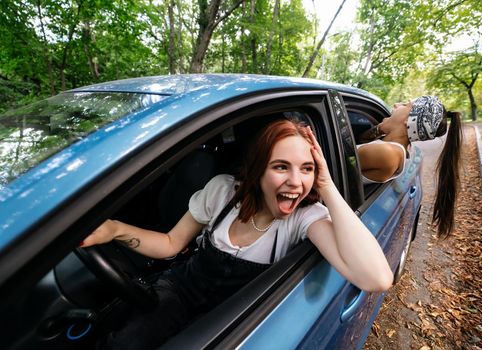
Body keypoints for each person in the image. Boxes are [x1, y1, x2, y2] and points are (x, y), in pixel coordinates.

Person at [82, 119, 393, 349]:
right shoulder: (221, 191)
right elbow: (170, 244)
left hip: (228, 322)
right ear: (258, 170)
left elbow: (376, 278)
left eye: (307, 168)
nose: (296, 182)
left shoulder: (304, 218)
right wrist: (115, 229)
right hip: (177, 293)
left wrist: (326, 185)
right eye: (281, 167)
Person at [356, 95, 462, 237]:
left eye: (405, 105)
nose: (396, 104)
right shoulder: (395, 148)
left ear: (409, 119)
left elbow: (338, 157)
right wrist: (382, 128)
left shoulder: (388, 154)